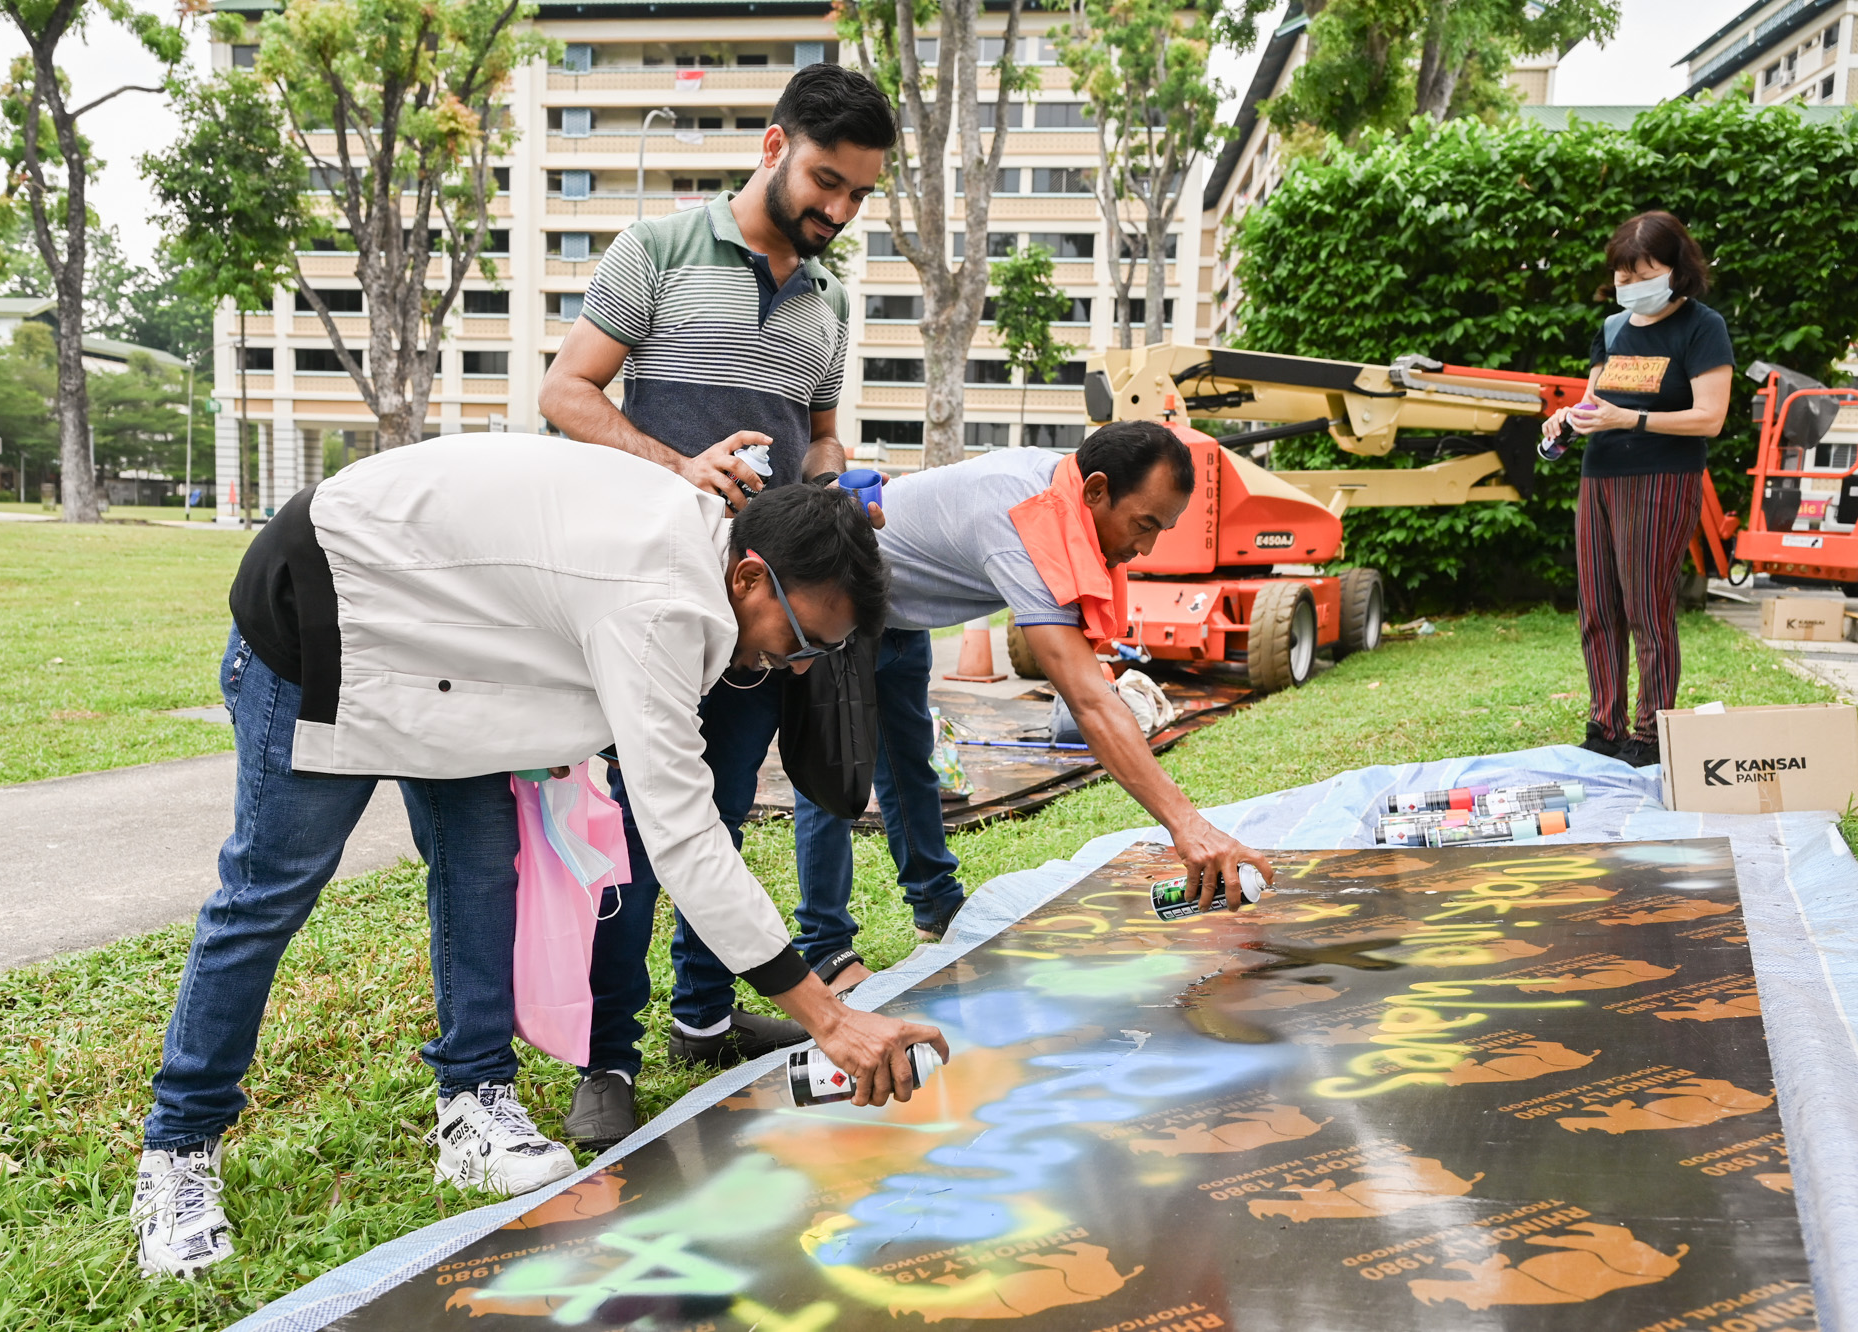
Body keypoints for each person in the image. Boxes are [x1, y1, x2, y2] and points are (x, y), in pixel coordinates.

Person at [128, 435, 946, 1280]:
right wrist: (830, 1019)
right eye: (802, 639)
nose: (797, 666)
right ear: (749, 577)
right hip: (327, 606)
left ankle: (473, 1101)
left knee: (484, 874)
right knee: (270, 890)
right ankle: (178, 1148)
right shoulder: (664, 600)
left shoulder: (700, 560)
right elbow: (682, 830)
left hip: (448, 643)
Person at [538, 62, 937, 1152]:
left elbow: (819, 433)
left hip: (765, 622)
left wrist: (835, 483)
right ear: (773, 146)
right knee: (639, 836)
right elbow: (565, 393)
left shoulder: (830, 298)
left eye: (858, 194)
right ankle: (607, 1057)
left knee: (716, 821)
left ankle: (704, 1017)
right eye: (825, 181)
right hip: (657, 604)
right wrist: (680, 468)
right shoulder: (659, 249)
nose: (838, 210)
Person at [796, 421, 1276, 942]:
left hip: (899, 615)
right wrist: (1189, 826)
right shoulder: (1021, 524)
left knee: (908, 763)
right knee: (832, 776)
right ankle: (825, 945)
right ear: (1096, 490)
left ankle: (938, 907)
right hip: (835, 604)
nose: (1146, 548)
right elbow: (1089, 702)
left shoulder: (1061, 495)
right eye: (1144, 525)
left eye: (1162, 529)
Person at [1542, 210, 1734, 769]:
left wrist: (1632, 419)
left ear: (1676, 269)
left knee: (1647, 608)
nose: (1629, 286)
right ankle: (1605, 727)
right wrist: (1566, 421)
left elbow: (1710, 418)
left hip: (1661, 480)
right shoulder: (1611, 330)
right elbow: (1592, 404)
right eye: (1621, 276)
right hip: (1599, 475)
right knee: (1597, 607)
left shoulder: (1702, 326)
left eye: (1642, 275)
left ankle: (1650, 734)